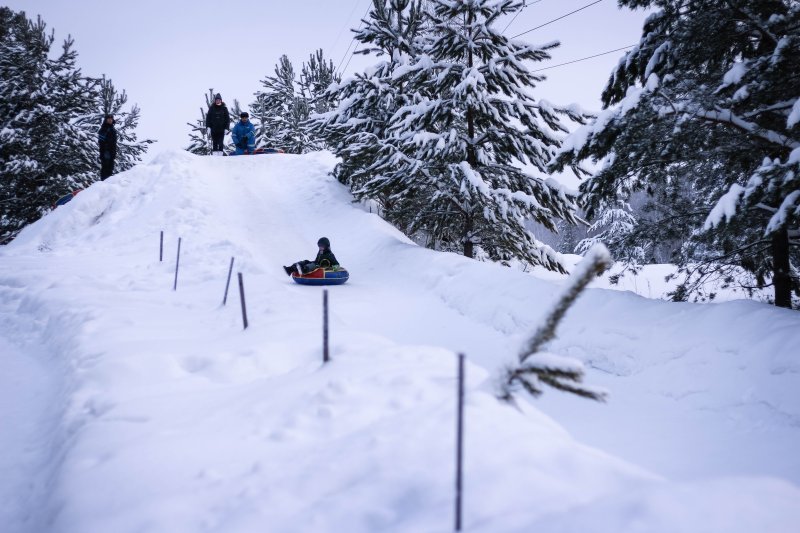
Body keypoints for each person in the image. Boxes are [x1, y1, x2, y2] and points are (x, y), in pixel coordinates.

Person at [98, 114, 117, 180]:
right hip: (106, 151)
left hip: (112, 151)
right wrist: (104, 150)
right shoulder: (104, 128)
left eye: (111, 119)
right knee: (106, 168)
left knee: (110, 168)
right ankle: (104, 182)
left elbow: (114, 142)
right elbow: (101, 142)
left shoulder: (112, 129)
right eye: (108, 119)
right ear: (106, 120)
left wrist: (114, 152)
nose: (110, 120)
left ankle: (108, 182)